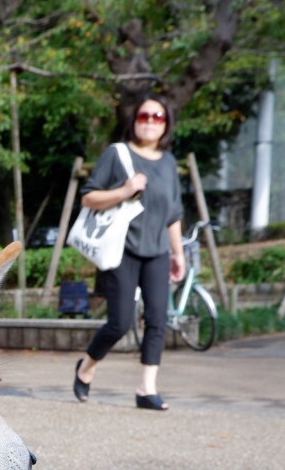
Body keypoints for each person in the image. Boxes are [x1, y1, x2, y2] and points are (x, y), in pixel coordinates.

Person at [73, 94, 185, 411]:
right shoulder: (116, 154)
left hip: (158, 250)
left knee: (158, 320)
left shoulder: (168, 162)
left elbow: (173, 214)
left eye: (158, 117)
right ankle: (87, 367)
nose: (150, 121)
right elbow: (88, 198)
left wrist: (178, 253)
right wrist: (125, 190)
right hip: (121, 250)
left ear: (166, 124)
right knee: (119, 323)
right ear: (134, 120)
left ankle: (147, 389)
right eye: (144, 116)